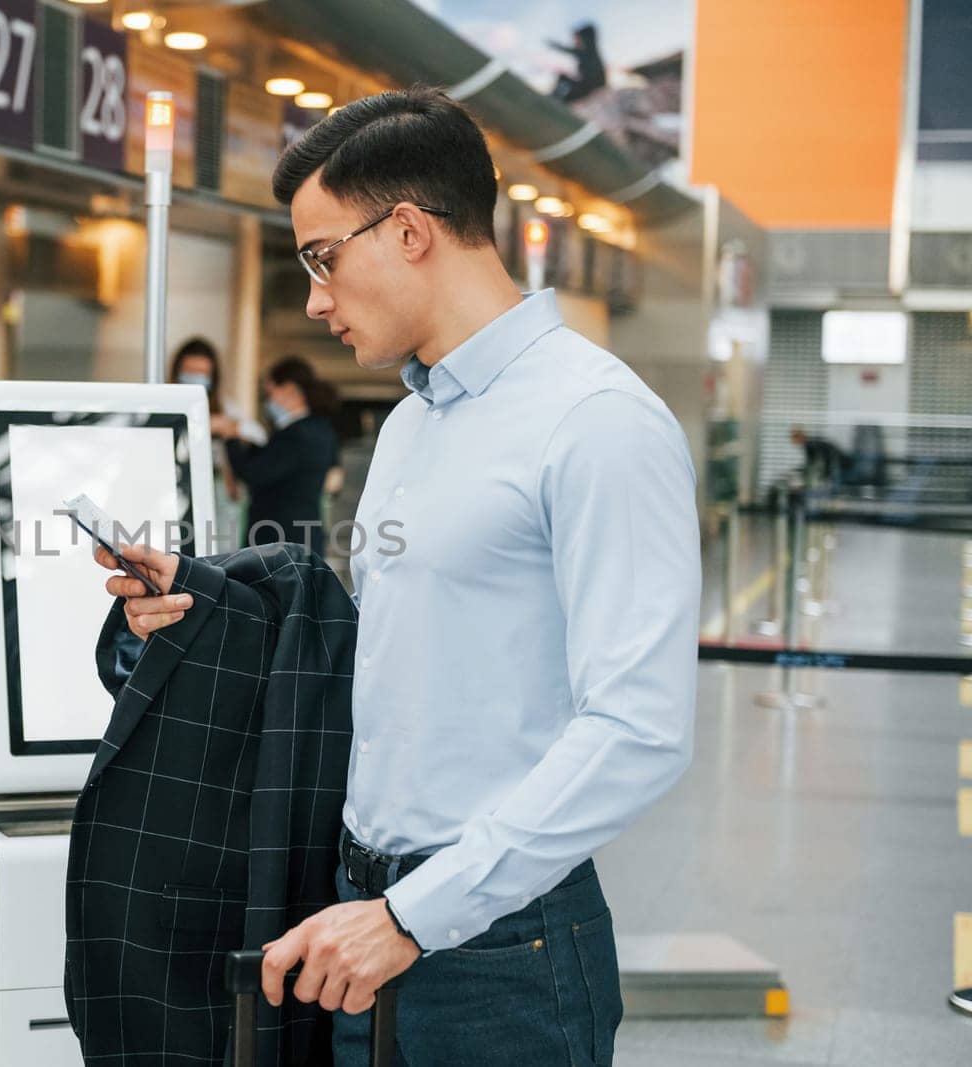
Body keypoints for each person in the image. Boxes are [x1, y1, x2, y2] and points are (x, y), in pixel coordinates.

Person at [94, 87, 699, 1066]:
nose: (313, 298)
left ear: (409, 230)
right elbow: (388, 646)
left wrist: (416, 912)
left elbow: (640, 728)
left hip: (503, 945)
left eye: (322, 258)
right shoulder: (414, 420)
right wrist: (208, 604)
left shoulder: (596, 422)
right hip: (361, 910)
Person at [216, 356, 340, 559]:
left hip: (279, 540)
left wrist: (230, 438)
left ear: (289, 389)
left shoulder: (296, 434)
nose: (269, 400)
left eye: (270, 391)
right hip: (305, 537)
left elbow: (255, 473)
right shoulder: (321, 429)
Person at [171, 337, 266, 548]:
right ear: (177, 371)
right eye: (190, 371)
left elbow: (258, 435)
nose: (195, 378)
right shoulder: (165, 405)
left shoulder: (223, 407)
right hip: (173, 493)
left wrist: (226, 427)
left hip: (214, 495)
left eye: (202, 373)